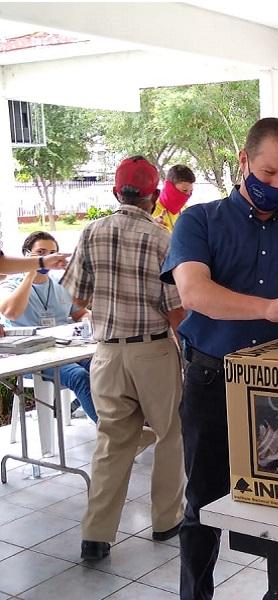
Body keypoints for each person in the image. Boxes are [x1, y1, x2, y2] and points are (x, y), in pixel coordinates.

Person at [161, 117, 278, 600]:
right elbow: (194, 293)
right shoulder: (199, 221)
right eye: (268, 173)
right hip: (214, 380)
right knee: (203, 505)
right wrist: (270, 308)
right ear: (244, 161)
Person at [60, 156, 186, 561]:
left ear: (117, 192)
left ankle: (96, 535)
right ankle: (166, 521)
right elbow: (175, 309)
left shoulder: (91, 232)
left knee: (111, 441)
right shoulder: (163, 239)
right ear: (154, 196)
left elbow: (76, 301)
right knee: (170, 434)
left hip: (107, 354)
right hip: (153, 351)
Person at [0, 231, 97, 422]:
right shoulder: (11, 285)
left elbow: (80, 313)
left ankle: (122, 423)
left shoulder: (60, 284)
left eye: (52, 253)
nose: (47, 257)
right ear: (26, 255)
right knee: (79, 376)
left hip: (66, 350)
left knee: (104, 367)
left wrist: (88, 321)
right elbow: (11, 312)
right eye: (41, 252)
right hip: (32, 357)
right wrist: (30, 273)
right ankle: (111, 432)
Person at [152, 164, 195, 232]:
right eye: (184, 190)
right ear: (169, 187)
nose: (187, 196)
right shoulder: (152, 210)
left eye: (191, 191)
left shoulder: (186, 210)